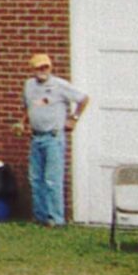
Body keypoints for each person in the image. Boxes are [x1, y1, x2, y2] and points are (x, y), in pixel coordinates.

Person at [21, 52, 88, 225]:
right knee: (35, 179)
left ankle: (56, 219)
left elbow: (83, 99)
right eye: (39, 67)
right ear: (33, 69)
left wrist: (74, 119)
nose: (42, 70)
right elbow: (27, 107)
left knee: (52, 179)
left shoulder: (60, 85)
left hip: (53, 138)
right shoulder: (29, 85)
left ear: (50, 68)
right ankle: (39, 216)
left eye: (46, 67)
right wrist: (24, 123)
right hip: (36, 138)